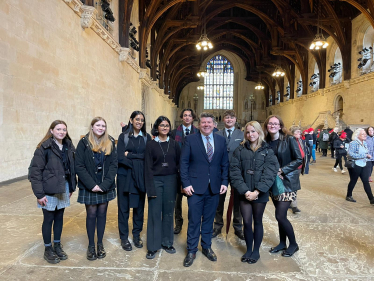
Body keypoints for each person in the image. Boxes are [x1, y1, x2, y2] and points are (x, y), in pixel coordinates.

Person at [180, 112, 229, 267]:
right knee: (194, 220)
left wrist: (224, 182)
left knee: (209, 220)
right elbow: (184, 163)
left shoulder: (221, 140)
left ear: (214, 124)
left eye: (209, 122)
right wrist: (186, 184)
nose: (206, 125)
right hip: (194, 188)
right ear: (199, 124)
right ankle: (192, 250)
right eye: (203, 122)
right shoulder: (190, 139)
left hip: (214, 187)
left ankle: (206, 247)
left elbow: (224, 164)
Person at [230, 121, 278, 264]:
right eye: (248, 132)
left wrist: (257, 191)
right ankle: (248, 249)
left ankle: (256, 251)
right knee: (246, 221)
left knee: (257, 221)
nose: (250, 134)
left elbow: (270, 173)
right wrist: (245, 191)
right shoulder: (239, 150)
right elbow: (234, 171)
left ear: (259, 132)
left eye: (253, 131)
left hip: (260, 193)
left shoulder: (267, 151)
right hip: (244, 192)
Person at [29, 120, 76, 264]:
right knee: (49, 218)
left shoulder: (68, 146)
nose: (61, 132)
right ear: (51, 131)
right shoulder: (44, 147)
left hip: (63, 186)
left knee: (60, 217)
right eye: (58, 129)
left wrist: (71, 187)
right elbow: (34, 172)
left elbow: (72, 168)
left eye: (64, 129)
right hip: (48, 189)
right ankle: (47, 249)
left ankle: (57, 245)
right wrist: (39, 194)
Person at [75, 117, 118, 261]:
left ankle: (100, 244)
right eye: (98, 125)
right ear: (92, 127)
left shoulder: (110, 142)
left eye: (103, 126)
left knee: (102, 214)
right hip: (90, 185)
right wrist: (91, 185)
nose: (101, 128)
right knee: (91, 214)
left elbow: (113, 165)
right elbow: (79, 166)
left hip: (105, 184)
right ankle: (91, 246)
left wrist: (105, 184)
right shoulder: (84, 143)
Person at [264, 115, 303, 257]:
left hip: (287, 183)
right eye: (270, 123)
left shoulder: (289, 139)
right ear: (267, 126)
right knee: (281, 215)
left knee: (280, 215)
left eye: (275, 124)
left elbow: (299, 159)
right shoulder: (266, 141)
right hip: (273, 183)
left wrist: (282, 170)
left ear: (280, 126)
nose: (272, 126)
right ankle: (282, 243)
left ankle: (293, 244)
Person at [145, 116, 181, 259]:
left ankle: (167, 242)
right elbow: (147, 168)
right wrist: (150, 188)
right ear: (157, 127)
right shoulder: (151, 144)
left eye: (167, 125)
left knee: (168, 213)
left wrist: (179, 184)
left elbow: (179, 164)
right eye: (162, 125)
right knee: (154, 213)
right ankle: (153, 246)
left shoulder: (174, 144)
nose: (165, 127)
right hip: (155, 180)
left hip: (171, 180)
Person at [117, 111, 151, 251]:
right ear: (131, 120)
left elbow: (148, 157)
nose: (139, 122)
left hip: (140, 177)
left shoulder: (146, 138)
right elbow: (119, 157)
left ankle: (136, 235)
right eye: (137, 119)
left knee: (138, 208)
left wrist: (130, 155)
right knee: (123, 208)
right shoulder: (123, 136)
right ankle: (124, 238)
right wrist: (137, 161)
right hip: (124, 176)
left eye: (142, 120)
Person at [213, 110, 244, 240]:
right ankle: (218, 225)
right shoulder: (217, 133)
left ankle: (238, 227)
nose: (229, 120)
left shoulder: (241, 134)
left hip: (237, 171)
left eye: (232, 117)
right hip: (220, 172)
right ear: (223, 120)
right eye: (227, 118)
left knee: (238, 200)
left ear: (235, 119)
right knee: (219, 200)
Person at [170, 108, 199, 234]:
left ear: (193, 118)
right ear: (182, 117)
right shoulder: (173, 133)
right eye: (185, 115)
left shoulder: (198, 132)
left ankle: (192, 224)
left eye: (190, 116)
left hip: (192, 171)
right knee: (177, 201)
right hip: (176, 170)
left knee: (193, 200)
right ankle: (178, 223)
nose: (187, 117)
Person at [345, 128, 374, 205]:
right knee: (353, 181)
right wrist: (364, 155)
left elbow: (366, 152)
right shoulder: (353, 143)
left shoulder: (364, 143)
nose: (365, 135)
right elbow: (350, 154)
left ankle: (371, 199)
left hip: (364, 164)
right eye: (363, 134)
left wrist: (367, 155)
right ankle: (349, 195)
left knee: (366, 181)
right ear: (357, 135)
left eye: (365, 134)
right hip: (355, 165)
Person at [289, 126, 307, 214]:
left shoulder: (300, 141)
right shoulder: (289, 141)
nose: (299, 134)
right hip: (292, 167)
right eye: (297, 132)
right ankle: (294, 205)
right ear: (292, 133)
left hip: (299, 167)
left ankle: (289, 201)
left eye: (299, 132)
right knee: (293, 186)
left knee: (293, 186)